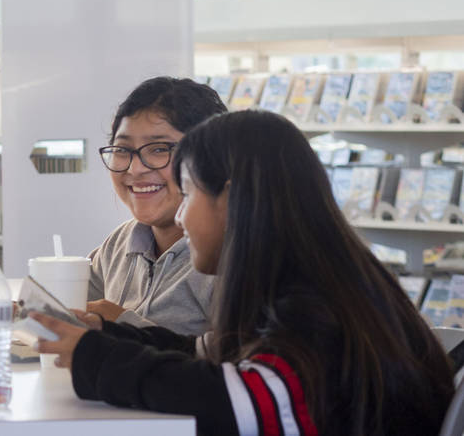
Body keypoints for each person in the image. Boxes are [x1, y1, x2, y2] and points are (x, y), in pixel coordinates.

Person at [34, 110, 455, 435]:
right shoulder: (316, 284)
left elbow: (239, 402)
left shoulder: (315, 311)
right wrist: (112, 334)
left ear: (232, 200)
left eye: (190, 192)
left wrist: (95, 357)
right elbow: (215, 353)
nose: (181, 215)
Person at [86, 76, 226, 336]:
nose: (135, 168)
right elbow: (72, 316)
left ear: (209, 157)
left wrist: (123, 326)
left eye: (160, 149)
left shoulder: (229, 256)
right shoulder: (119, 243)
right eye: (122, 149)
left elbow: (229, 368)